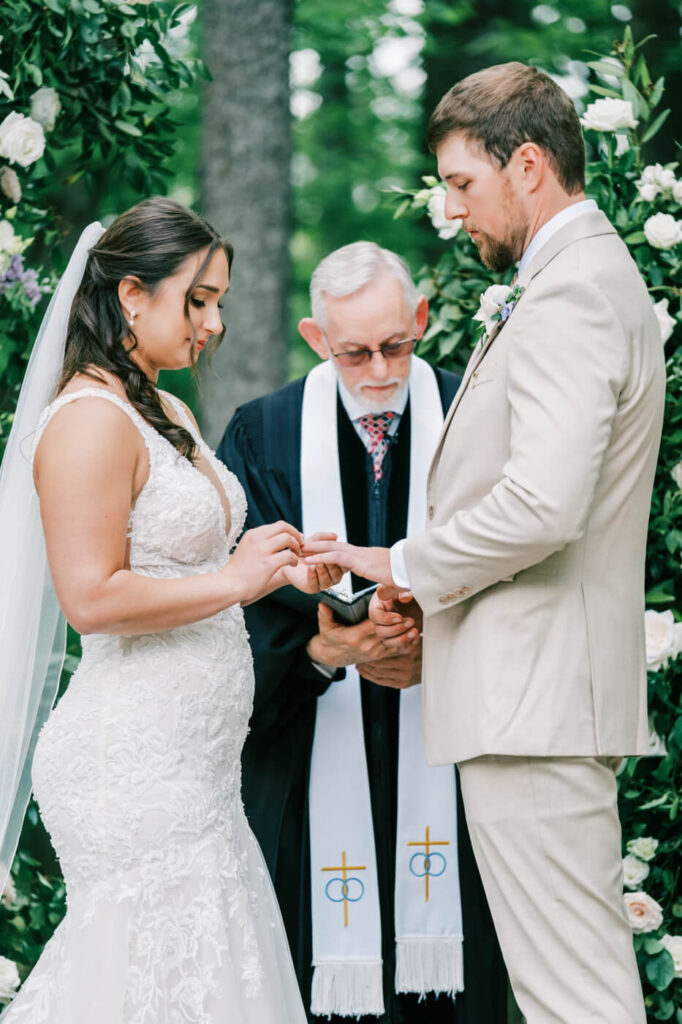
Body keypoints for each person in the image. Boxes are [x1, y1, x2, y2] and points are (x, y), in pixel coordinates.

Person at [303, 64, 666, 1023]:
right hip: (533, 697)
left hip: (535, 702)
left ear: (531, 166)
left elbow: (545, 505)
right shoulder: (568, 278)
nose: (453, 211)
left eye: (464, 183)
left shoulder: (573, 291)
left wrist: (408, 563)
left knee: (574, 998)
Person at [0, 197, 343, 1024]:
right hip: (134, 763)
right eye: (197, 299)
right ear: (130, 296)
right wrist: (237, 582)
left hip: (199, 766)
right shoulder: (88, 420)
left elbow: (181, 560)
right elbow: (92, 597)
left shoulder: (169, 410)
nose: (214, 323)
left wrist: (278, 568)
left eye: (217, 300)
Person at [217, 242, 507, 1024]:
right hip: (311, 746)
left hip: (456, 757)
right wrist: (325, 651)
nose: (379, 370)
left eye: (396, 344)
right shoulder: (262, 434)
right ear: (316, 338)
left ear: (420, 321)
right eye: (354, 352)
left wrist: (430, 645)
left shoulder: (477, 417)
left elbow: (519, 574)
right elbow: (228, 616)